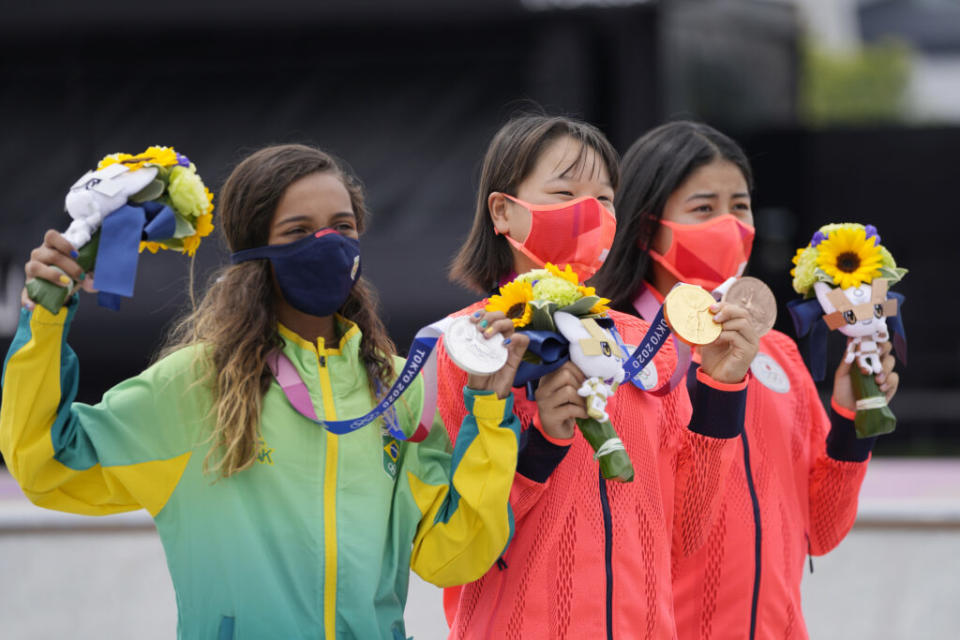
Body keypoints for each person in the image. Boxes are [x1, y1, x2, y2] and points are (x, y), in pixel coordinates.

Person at [1, 143, 532, 640]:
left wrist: (488, 409)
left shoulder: (396, 386)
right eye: (298, 231)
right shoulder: (196, 385)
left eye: (341, 227)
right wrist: (44, 321)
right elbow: (48, 463)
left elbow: (451, 555)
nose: (326, 244)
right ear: (254, 250)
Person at [437, 114, 760, 639]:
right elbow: (451, 545)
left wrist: (722, 390)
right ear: (503, 211)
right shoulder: (465, 348)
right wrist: (539, 449)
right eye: (565, 193)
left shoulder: (644, 345)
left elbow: (684, 531)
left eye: (605, 199)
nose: (590, 214)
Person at [591, 121, 900, 640]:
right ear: (647, 230)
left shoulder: (777, 352)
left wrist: (852, 421)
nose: (730, 225)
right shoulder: (618, 356)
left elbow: (819, 533)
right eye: (704, 208)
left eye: (740, 206)